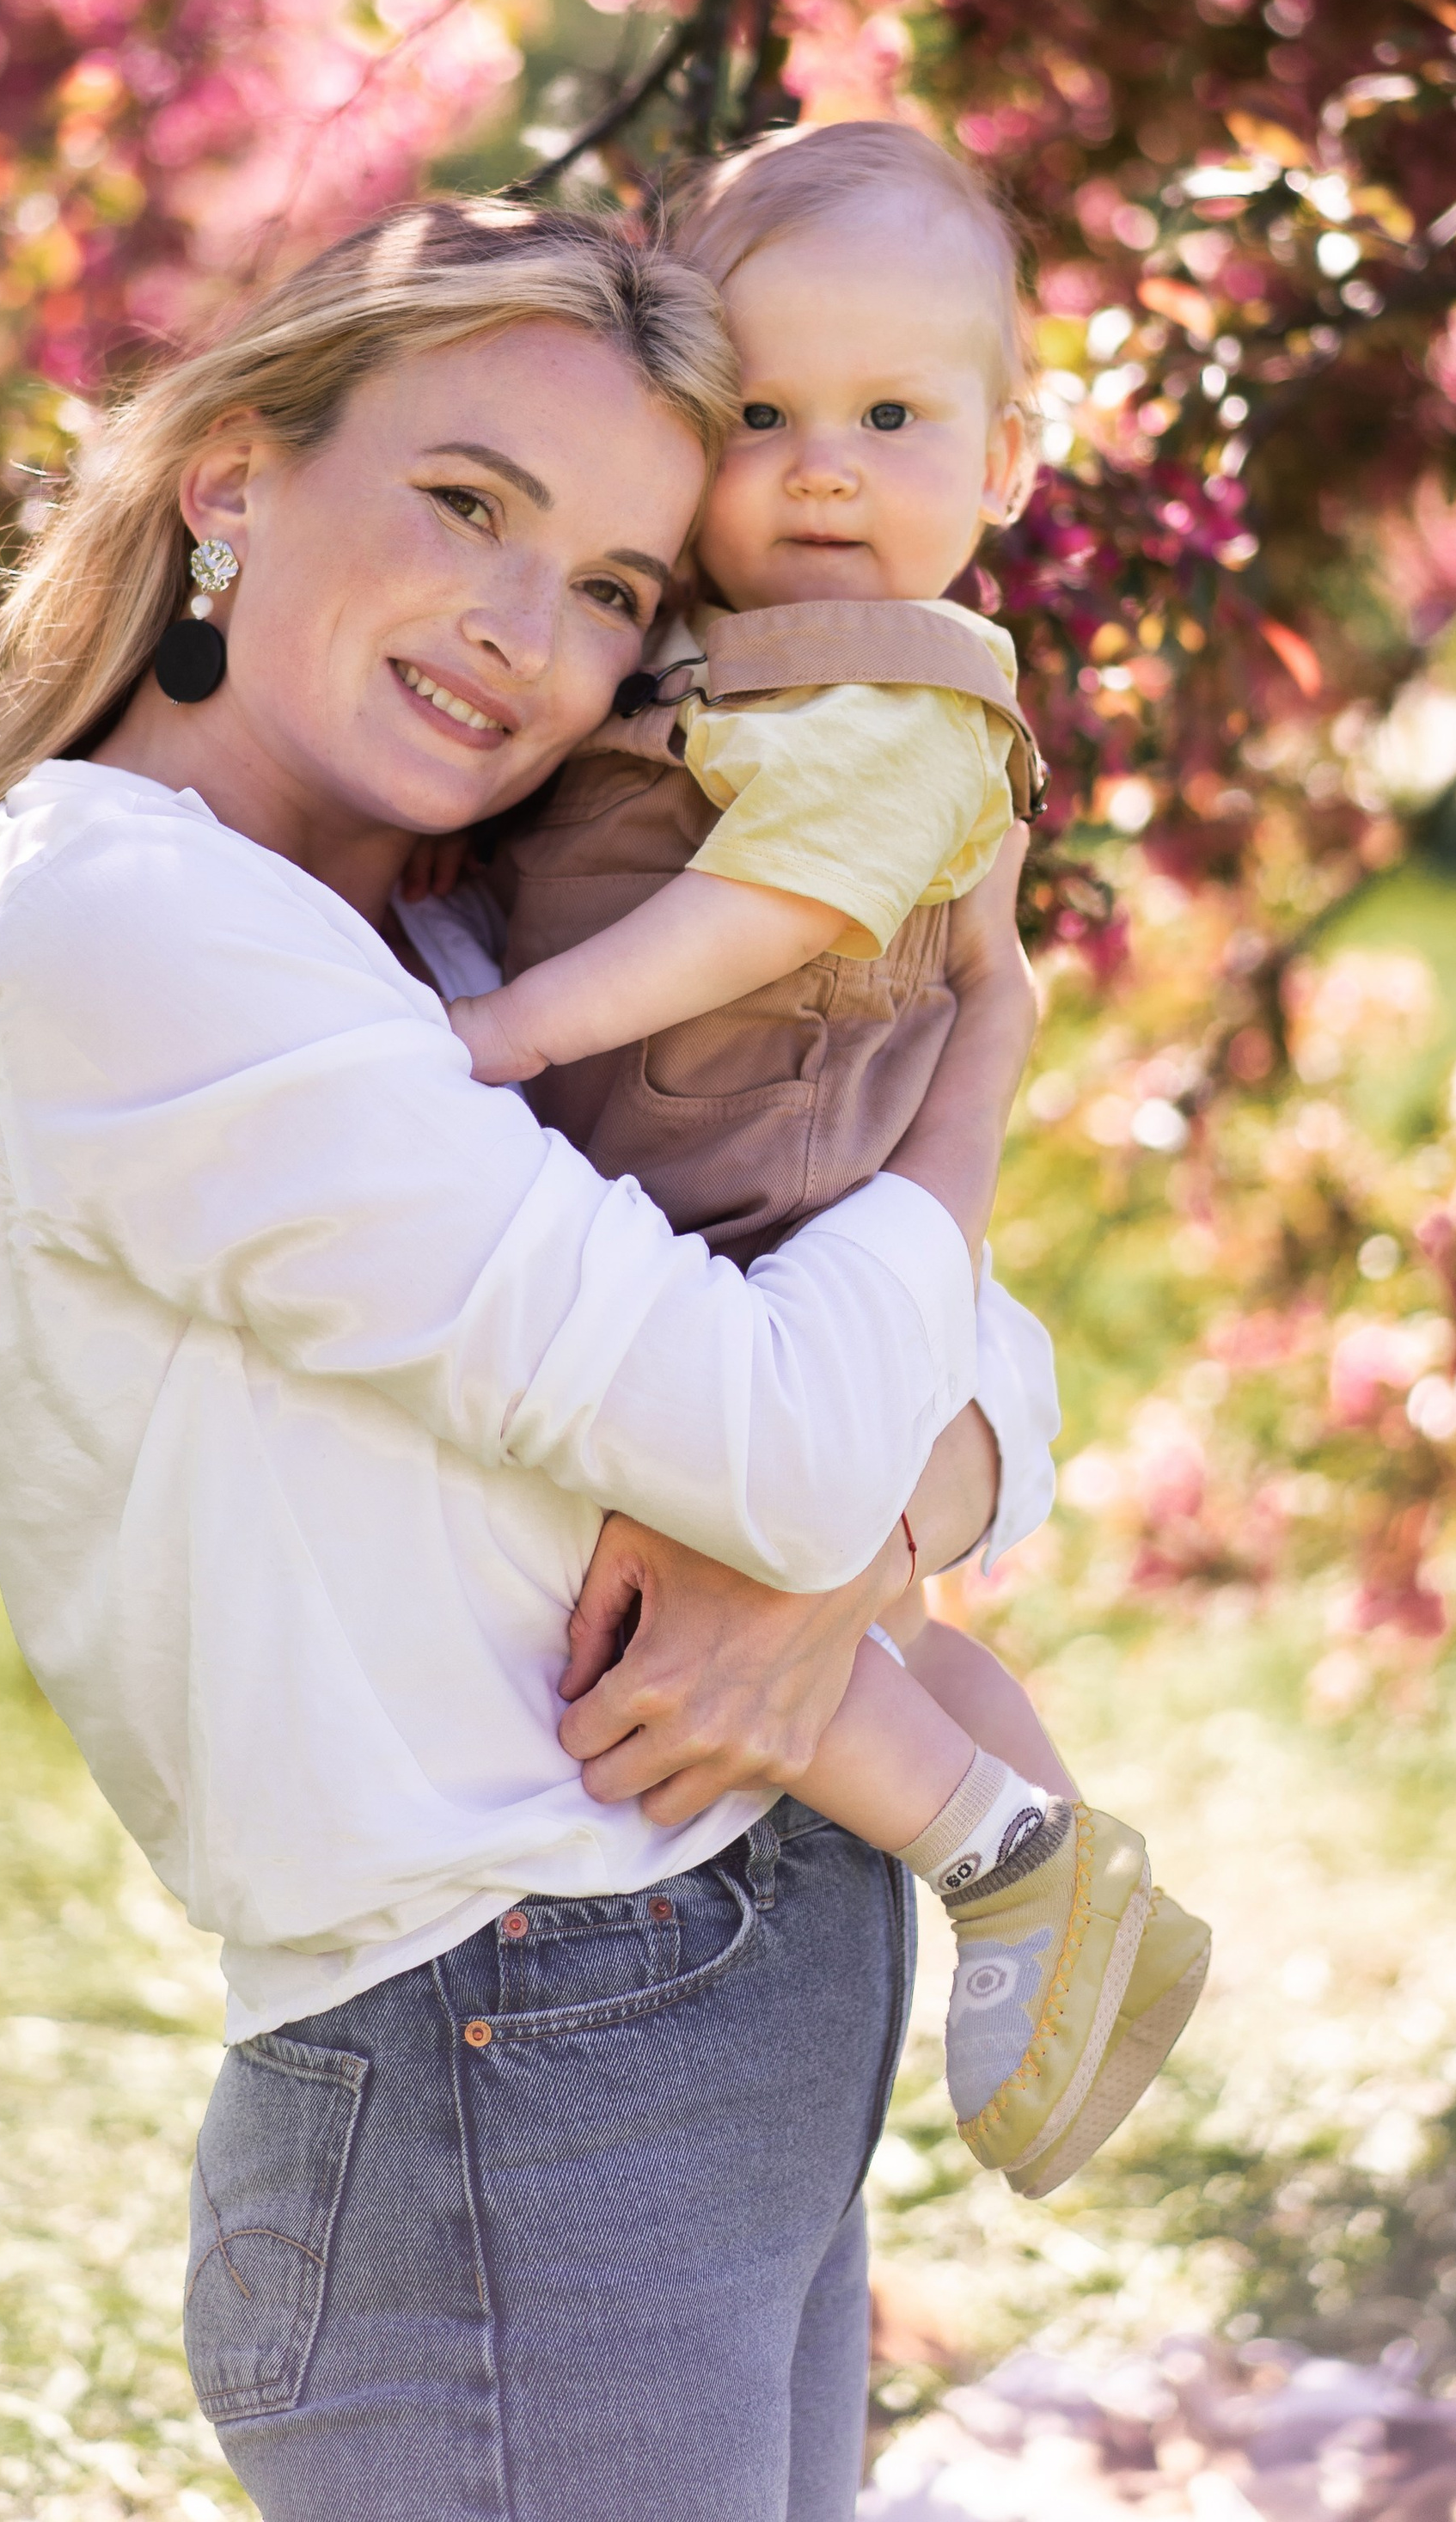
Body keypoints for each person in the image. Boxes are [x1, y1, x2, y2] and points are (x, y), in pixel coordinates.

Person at [0, 197, 1066, 2522]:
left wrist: (834, 1570)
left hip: (727, 1986)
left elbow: (985, 1380)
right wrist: (984, 1055)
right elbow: (827, 1416)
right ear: (231, 482)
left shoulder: (444, 928)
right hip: (509, 2053)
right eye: (469, 507)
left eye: (620, 585)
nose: (534, 635)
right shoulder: (143, 938)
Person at [444, 124, 1208, 2197]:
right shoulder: (693, 659)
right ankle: (1053, 1881)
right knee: (831, 1633)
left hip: (757, 1220)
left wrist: (508, 1031)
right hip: (708, 1205)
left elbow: (768, 908)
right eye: (760, 416)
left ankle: (999, 1856)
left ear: (1005, 461)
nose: (821, 470)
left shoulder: (897, 694)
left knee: (737, 1611)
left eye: (889, 416)